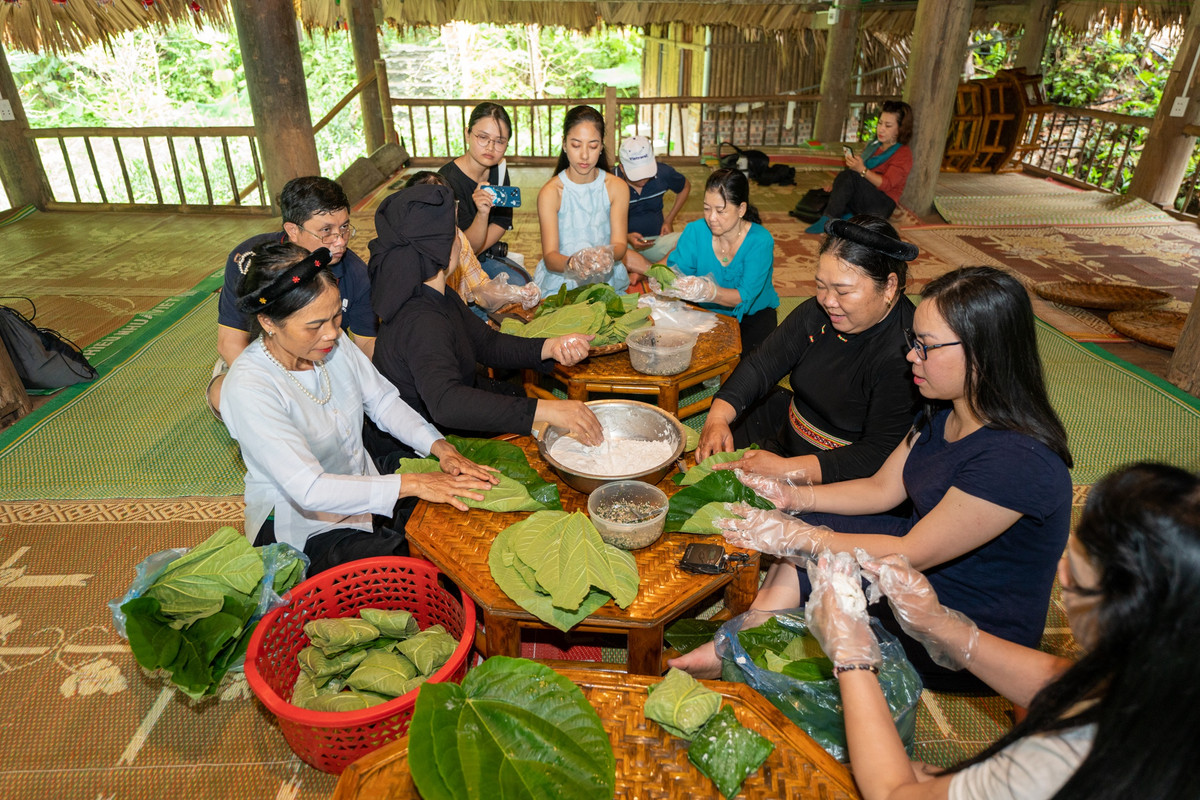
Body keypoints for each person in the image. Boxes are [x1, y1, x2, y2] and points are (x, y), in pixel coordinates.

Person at [675, 266, 1073, 693]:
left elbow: (911, 552)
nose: (911, 357)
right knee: (811, 537)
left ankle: (734, 649)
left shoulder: (1017, 459)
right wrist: (791, 497)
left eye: (926, 348)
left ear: (983, 353)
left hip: (959, 619)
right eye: (913, 343)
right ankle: (737, 644)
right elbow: (882, 489)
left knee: (811, 551)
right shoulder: (945, 409)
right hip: (919, 563)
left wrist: (794, 535)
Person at [804, 461, 1200, 800]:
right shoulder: (1171, 674)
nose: (1060, 575)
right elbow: (1073, 688)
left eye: (1075, 577)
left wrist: (852, 654)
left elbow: (893, 794)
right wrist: (939, 623)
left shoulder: (1059, 760)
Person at [218, 241, 498, 575]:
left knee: (461, 507)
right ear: (268, 322)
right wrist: (414, 484)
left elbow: (382, 401)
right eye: (315, 325)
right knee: (411, 570)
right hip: (306, 528)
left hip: (362, 481)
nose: (333, 333)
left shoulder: (330, 346)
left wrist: (440, 447)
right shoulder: (250, 387)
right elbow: (309, 489)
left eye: (337, 317)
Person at [366, 183, 602, 467]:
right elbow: (447, 403)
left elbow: (487, 343)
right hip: (422, 453)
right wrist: (547, 410)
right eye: (455, 232)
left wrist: (550, 347)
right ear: (440, 248)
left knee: (513, 396)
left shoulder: (437, 294)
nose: (461, 239)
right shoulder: (421, 319)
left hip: (446, 426)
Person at [694, 215, 917, 479]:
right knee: (721, 441)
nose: (828, 301)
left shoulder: (907, 353)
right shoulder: (817, 312)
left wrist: (786, 469)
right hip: (790, 429)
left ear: (889, 286)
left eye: (843, 292)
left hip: (842, 474)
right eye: (820, 286)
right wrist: (717, 416)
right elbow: (762, 364)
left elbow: (877, 453)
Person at [208, 176, 375, 415]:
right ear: (292, 230)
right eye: (326, 231)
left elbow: (366, 344)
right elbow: (230, 342)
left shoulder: (356, 274)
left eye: (345, 227)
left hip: (323, 359)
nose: (340, 241)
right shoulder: (250, 260)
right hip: (259, 359)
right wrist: (280, 392)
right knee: (225, 394)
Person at [629, 168, 779, 353]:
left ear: (741, 209)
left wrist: (709, 292)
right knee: (677, 357)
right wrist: (659, 278)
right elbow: (674, 268)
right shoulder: (696, 231)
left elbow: (744, 296)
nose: (711, 218)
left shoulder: (760, 241)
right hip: (705, 313)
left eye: (720, 211)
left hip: (753, 316)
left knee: (747, 373)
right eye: (707, 209)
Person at [533, 105, 632, 296]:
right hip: (562, 282)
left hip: (606, 281)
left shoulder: (616, 187)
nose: (584, 155)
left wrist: (605, 255)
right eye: (576, 145)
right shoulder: (551, 192)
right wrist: (574, 263)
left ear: (602, 146)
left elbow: (620, 245)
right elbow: (550, 257)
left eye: (593, 146)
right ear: (564, 144)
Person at [438, 102, 529, 286]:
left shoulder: (500, 169)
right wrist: (482, 214)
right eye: (483, 137)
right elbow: (463, 247)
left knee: (523, 285)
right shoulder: (447, 181)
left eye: (499, 141)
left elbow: (502, 221)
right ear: (467, 134)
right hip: (452, 264)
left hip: (481, 253)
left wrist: (478, 251)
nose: (490, 147)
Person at [804, 101, 914, 234]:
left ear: (900, 129)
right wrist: (837, 187)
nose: (881, 129)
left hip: (882, 204)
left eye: (888, 125)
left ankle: (828, 220)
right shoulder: (874, 145)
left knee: (850, 176)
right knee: (838, 185)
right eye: (880, 123)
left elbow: (886, 184)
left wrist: (862, 169)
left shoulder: (903, 154)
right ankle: (847, 219)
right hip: (864, 196)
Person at [616, 135, 691, 263]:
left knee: (691, 242)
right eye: (637, 176)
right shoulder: (611, 181)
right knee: (609, 253)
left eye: (646, 174)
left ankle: (644, 268)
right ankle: (652, 268)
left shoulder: (663, 173)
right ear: (622, 168)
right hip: (624, 245)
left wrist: (669, 220)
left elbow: (685, 187)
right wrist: (626, 237)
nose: (643, 181)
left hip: (657, 241)